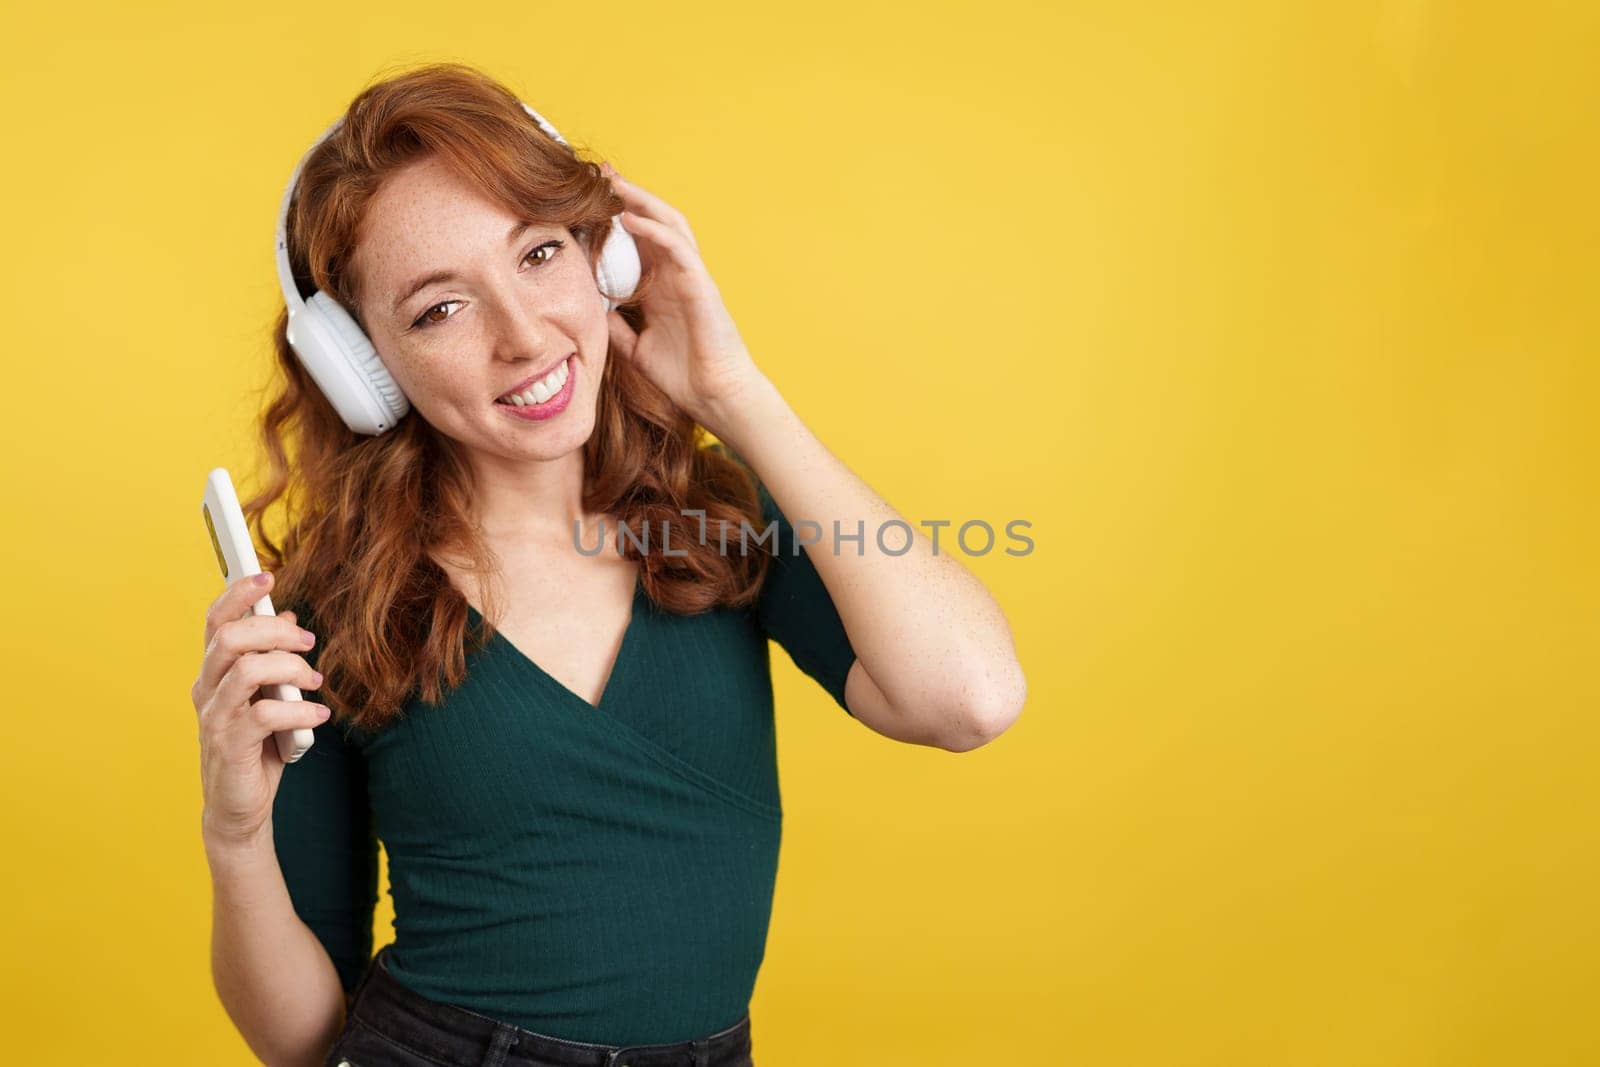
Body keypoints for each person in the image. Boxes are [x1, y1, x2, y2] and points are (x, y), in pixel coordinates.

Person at [190, 61, 1027, 1067]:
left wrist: (734, 394)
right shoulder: (335, 606)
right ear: (364, 368)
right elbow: (297, 1038)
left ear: (608, 258)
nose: (525, 333)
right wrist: (234, 832)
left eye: (539, 253)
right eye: (437, 310)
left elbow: (971, 697)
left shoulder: (719, 518)